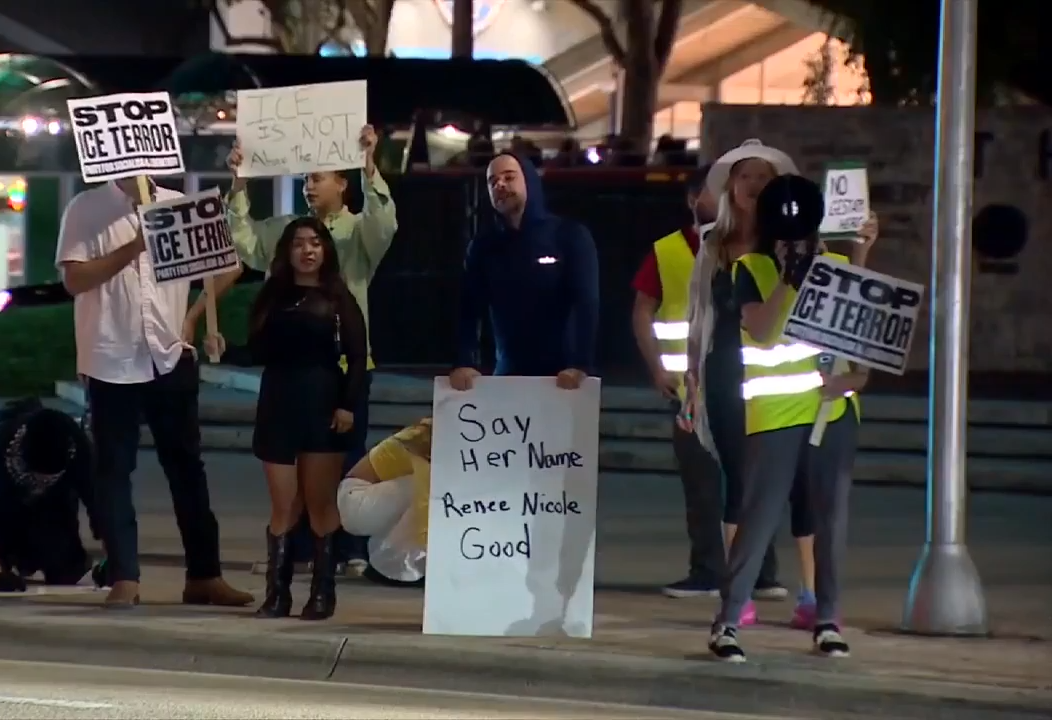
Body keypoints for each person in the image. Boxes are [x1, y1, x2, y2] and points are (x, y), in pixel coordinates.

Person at [686, 140, 880, 629]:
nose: (754, 186)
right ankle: (735, 608)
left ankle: (818, 607)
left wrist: (857, 250)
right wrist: (692, 376)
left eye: (764, 177)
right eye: (745, 176)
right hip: (750, 385)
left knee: (818, 508)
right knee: (751, 497)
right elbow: (724, 318)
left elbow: (851, 324)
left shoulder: (820, 253)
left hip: (820, 401)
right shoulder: (727, 252)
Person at [55, 175, 252, 609]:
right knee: (113, 469)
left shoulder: (180, 205)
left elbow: (228, 265)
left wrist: (195, 317)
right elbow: (74, 280)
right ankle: (124, 574)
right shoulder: (86, 209)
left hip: (168, 353)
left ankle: (205, 575)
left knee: (187, 468)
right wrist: (133, 248)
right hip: (112, 357)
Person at [224, 125, 397, 574]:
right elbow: (244, 242)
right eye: (305, 179)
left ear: (342, 183)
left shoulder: (359, 232)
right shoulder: (287, 232)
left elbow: (386, 224)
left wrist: (369, 165)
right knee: (294, 459)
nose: (309, 186)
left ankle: (348, 550)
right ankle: (298, 550)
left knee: (347, 458)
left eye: (318, 177)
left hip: (344, 365)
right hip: (292, 368)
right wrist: (239, 185)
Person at [631, 165, 786, 605]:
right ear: (693, 199)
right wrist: (659, 368)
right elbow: (643, 309)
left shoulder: (763, 246)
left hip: (750, 386)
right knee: (701, 482)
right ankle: (708, 569)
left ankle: (760, 572)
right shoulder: (670, 250)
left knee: (750, 481)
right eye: (712, 192)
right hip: (690, 388)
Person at [247, 217, 368, 620]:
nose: (307, 250)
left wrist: (347, 405)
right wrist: (220, 346)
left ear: (326, 250)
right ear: (287, 251)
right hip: (277, 402)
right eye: (299, 243)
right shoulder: (271, 296)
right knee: (283, 505)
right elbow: (255, 350)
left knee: (320, 504)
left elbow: (356, 357)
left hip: (322, 401)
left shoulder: (338, 298)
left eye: (315, 242)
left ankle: (322, 592)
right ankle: (277, 594)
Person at [450, 152, 599, 391]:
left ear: (528, 181)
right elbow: (468, 309)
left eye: (509, 177)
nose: (500, 185)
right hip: (508, 377)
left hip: (564, 379)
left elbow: (586, 303)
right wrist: (464, 362)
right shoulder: (483, 246)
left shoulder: (569, 235)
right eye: (492, 181)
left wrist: (581, 364)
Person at [0, 400, 94, 591]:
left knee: (66, 573)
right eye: (36, 478)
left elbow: (103, 509)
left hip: (51, 511)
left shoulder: (80, 449)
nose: (40, 485)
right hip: (1, 510)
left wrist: (115, 564)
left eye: (48, 480)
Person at [337, 419, 433, 587]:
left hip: (376, 497)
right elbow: (425, 500)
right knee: (433, 487)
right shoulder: (424, 439)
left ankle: (393, 561)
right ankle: (395, 565)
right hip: (356, 498)